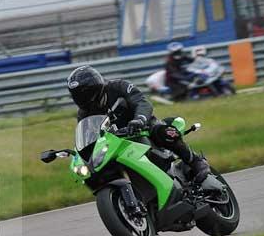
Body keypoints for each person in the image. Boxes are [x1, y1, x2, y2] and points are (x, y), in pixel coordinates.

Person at [66, 65, 210, 183]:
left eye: (83, 94)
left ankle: (196, 162)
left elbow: (142, 102)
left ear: (95, 88)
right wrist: (80, 153)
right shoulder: (84, 113)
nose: (80, 98)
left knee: (165, 132)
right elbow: (89, 136)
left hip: (143, 127)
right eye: (76, 95)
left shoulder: (119, 86)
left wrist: (139, 119)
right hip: (116, 144)